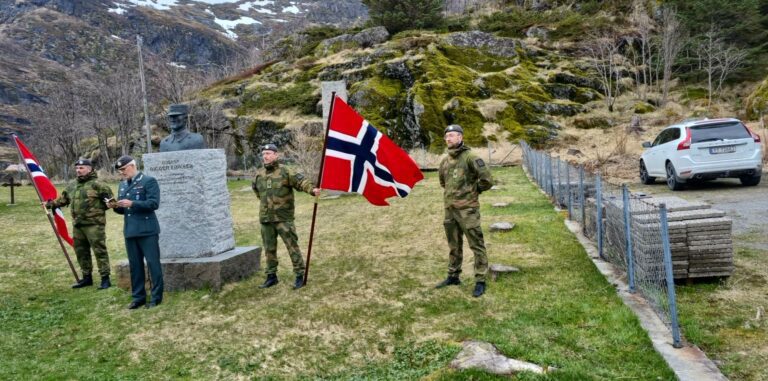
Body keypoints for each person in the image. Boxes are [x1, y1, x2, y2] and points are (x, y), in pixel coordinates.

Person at [252, 144, 320, 290]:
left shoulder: (286, 171)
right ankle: (271, 276)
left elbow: (301, 182)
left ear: (276, 155)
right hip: (266, 219)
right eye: (263, 154)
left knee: (292, 247)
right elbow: (257, 191)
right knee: (269, 249)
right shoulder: (259, 174)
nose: (265, 156)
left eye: (268, 153)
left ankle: (299, 275)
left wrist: (312, 190)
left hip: (283, 218)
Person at [436, 124, 493, 297]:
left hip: (468, 210)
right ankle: (453, 276)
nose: (448, 138)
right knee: (453, 245)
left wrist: (473, 192)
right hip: (450, 210)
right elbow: (443, 182)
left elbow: (487, 180)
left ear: (460, 137)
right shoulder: (445, 161)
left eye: (452, 135)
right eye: (447, 136)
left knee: (476, 245)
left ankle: (480, 280)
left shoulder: (471, 157)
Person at [47, 159, 114, 289]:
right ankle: (87, 277)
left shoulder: (99, 185)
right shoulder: (72, 186)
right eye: (77, 168)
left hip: (94, 225)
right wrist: (50, 204)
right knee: (81, 252)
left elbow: (110, 203)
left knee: (99, 251)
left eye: (81, 168)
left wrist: (95, 212)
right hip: (78, 225)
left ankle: (105, 278)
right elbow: (62, 200)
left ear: (89, 169)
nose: (78, 170)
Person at [108, 155, 164, 309]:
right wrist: (115, 207)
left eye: (123, 169)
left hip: (147, 231)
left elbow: (153, 204)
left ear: (132, 166)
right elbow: (124, 210)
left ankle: (156, 297)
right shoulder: (122, 185)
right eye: (119, 171)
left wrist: (133, 203)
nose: (121, 173)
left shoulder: (148, 181)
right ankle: (138, 297)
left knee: (153, 264)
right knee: (135, 266)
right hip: (130, 231)